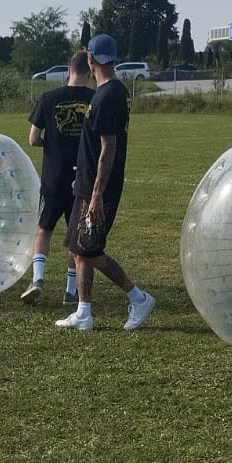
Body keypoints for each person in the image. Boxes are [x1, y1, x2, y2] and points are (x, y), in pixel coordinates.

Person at [55, 34, 155, 332]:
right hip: (85, 182)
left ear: (91, 60)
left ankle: (139, 298)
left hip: (97, 188)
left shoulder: (107, 96)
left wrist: (96, 194)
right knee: (77, 246)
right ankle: (84, 312)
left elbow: (108, 149)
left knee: (90, 250)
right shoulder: (113, 91)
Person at [21, 49, 93, 305]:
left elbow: (32, 139)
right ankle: (70, 291)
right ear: (90, 70)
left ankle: (37, 279)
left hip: (53, 175)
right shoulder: (95, 99)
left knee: (44, 230)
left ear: (68, 70)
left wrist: (51, 144)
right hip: (82, 178)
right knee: (75, 237)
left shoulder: (48, 98)